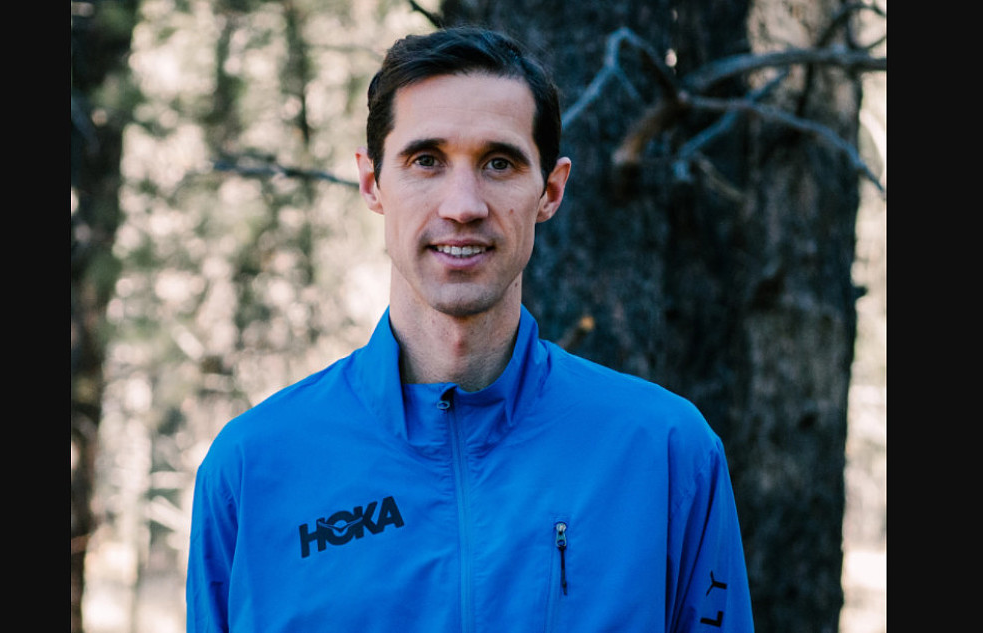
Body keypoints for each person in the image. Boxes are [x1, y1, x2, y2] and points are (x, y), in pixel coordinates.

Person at [187, 26, 754, 632]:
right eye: (425, 161)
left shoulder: (667, 454)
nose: (463, 205)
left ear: (550, 190)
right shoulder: (253, 468)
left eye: (498, 163)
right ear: (373, 183)